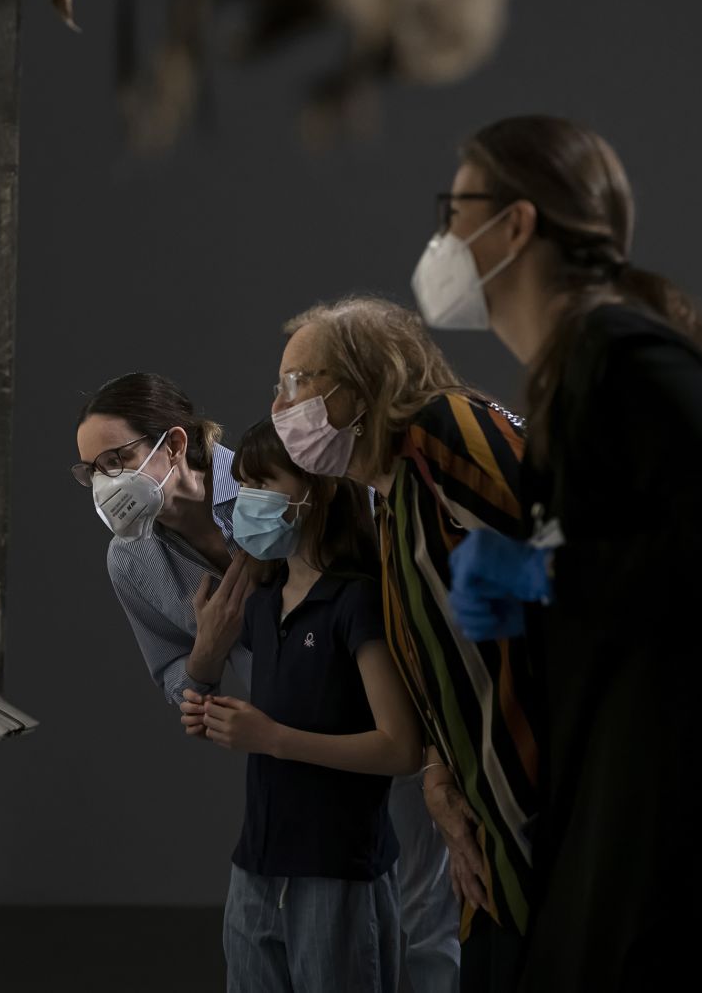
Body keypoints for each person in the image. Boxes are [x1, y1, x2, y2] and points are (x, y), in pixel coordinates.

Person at [425, 114, 702, 991]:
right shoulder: (571, 368)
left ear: (516, 224)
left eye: (455, 205)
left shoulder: (621, 351)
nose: (442, 235)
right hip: (664, 757)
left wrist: (543, 577)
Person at [272, 295, 539, 992]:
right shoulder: (388, 499)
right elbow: (436, 664)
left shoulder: (443, 430)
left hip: (560, 812)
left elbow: (581, 553)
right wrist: (441, 780)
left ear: (362, 382)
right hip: (496, 826)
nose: (281, 406)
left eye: (297, 382)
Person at [190, 418, 422, 992]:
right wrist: (209, 690)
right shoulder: (264, 602)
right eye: (242, 485)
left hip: (337, 871)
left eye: (263, 483)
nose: (246, 502)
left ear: (316, 490)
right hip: (257, 867)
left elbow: (402, 747)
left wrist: (272, 738)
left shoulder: (356, 599)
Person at [74, 373, 256, 705]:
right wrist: (208, 648)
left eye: (116, 461)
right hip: (283, 730)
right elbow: (174, 676)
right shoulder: (130, 559)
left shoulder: (272, 484)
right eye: (93, 471)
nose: (105, 485)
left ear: (174, 445)